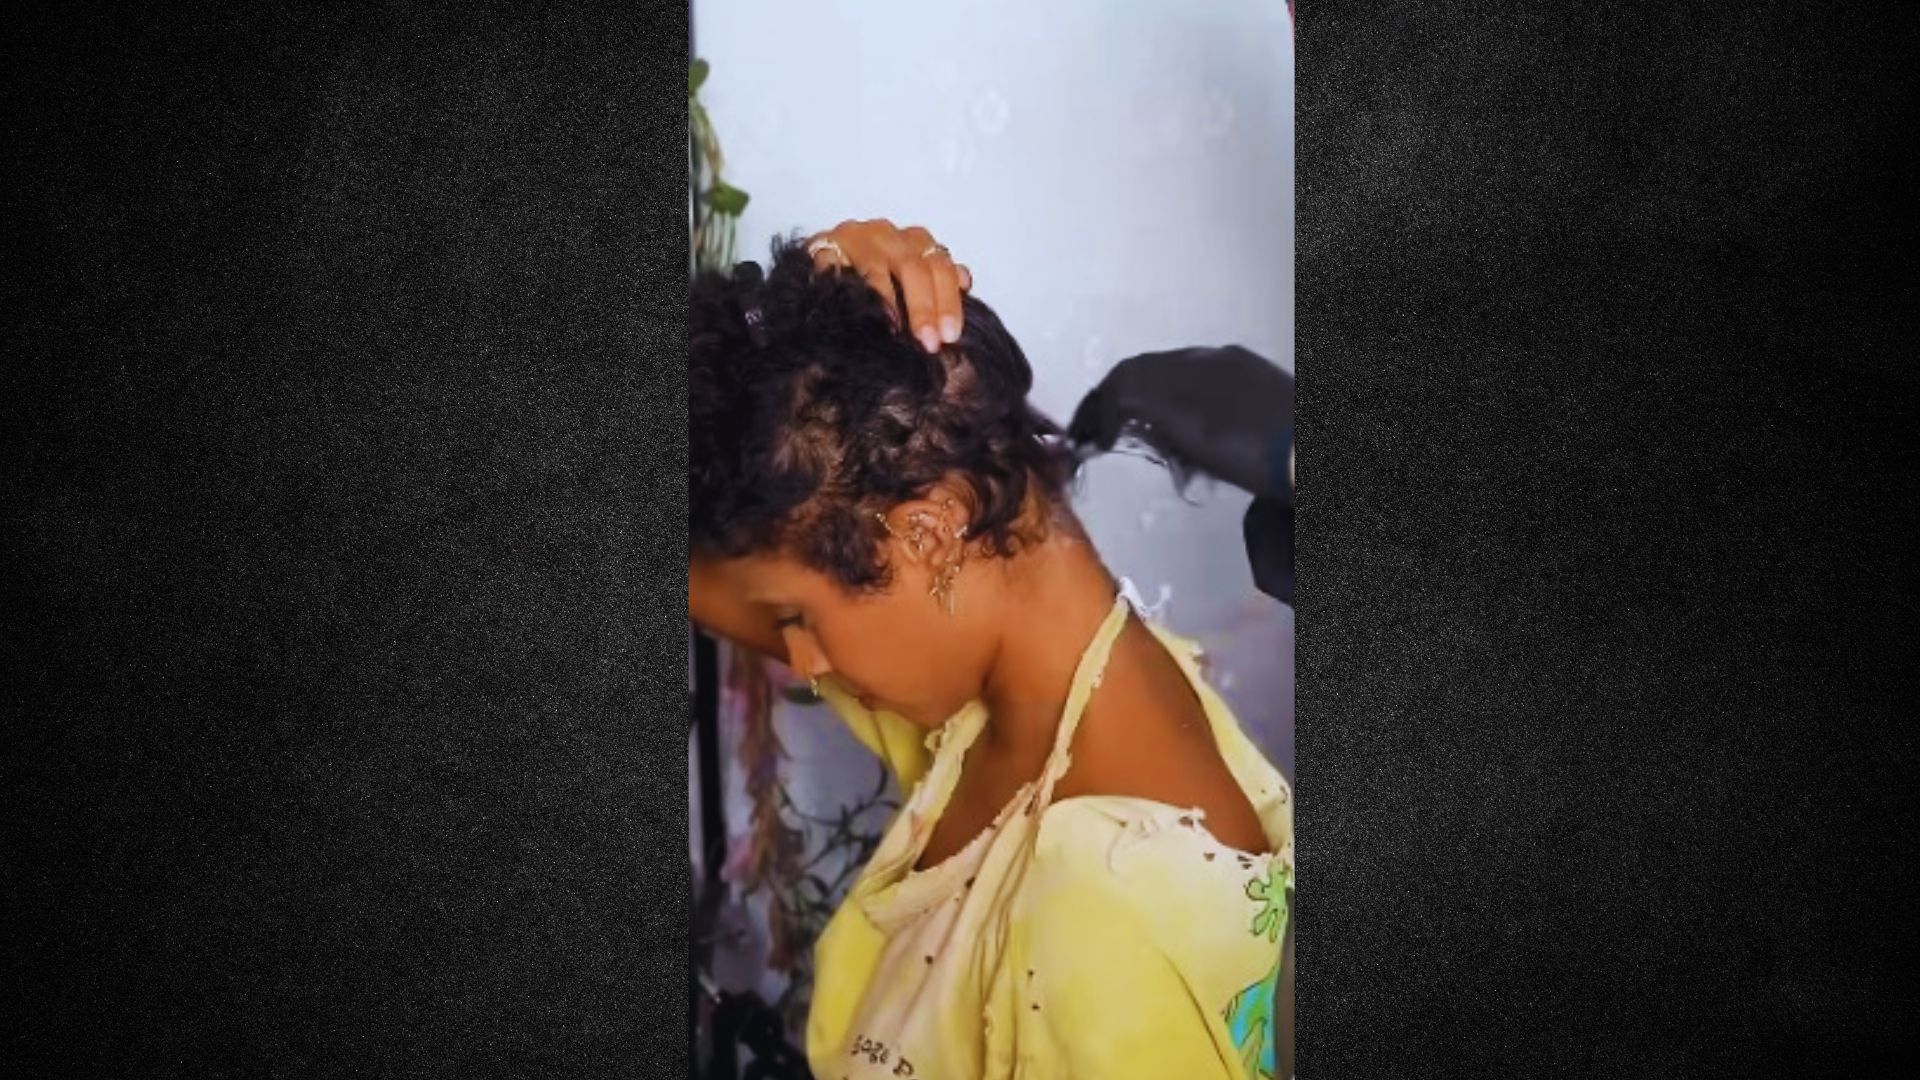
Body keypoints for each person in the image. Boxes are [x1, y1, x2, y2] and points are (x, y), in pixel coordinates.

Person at [689, 220, 1293, 1079]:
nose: (802, 661)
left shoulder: (1109, 916)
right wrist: (798, 296)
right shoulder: (998, 706)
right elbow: (712, 568)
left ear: (928, 534)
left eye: (798, 618)